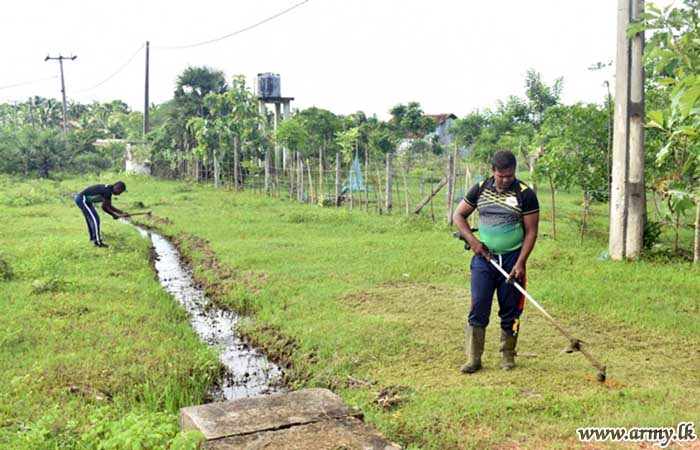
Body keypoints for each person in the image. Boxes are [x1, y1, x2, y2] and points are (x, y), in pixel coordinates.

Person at [453, 150, 539, 373]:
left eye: (509, 176)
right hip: (484, 259)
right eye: (501, 176)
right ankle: (473, 358)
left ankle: (507, 355)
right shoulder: (481, 188)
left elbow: (531, 232)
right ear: (493, 172)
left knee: (511, 309)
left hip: (513, 259)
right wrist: (473, 241)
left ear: (514, 173)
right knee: (479, 304)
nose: (504, 181)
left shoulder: (525, 194)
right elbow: (458, 216)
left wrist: (520, 263)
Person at [74, 181, 130, 248]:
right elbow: (105, 207)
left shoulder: (109, 190)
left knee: (92, 219)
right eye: (120, 191)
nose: (120, 194)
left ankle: (93, 238)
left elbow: (107, 206)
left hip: (86, 201)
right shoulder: (108, 191)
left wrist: (120, 213)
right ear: (118, 188)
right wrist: (115, 214)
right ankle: (97, 243)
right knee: (95, 220)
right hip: (82, 199)